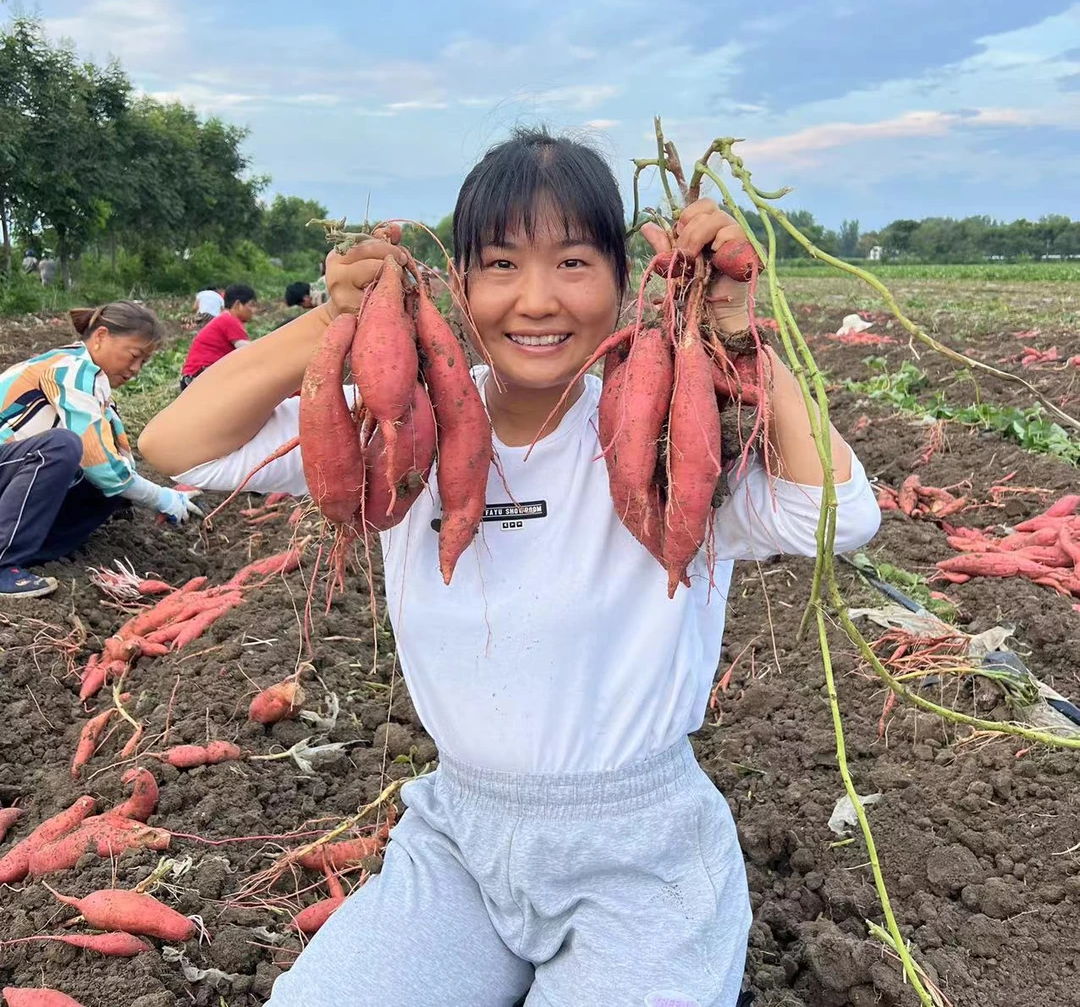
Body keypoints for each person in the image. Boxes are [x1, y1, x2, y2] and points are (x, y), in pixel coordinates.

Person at [139, 129, 880, 1007]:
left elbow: (840, 516)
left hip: (642, 854)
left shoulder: (676, 443)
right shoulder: (397, 427)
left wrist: (736, 331)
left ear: (618, 278)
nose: (536, 300)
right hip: (460, 839)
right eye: (499, 265)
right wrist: (338, 321)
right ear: (457, 282)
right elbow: (171, 446)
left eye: (572, 263)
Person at [0, 302, 203, 599]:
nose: (135, 369)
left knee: (110, 490)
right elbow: (99, 462)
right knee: (62, 447)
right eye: (134, 356)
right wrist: (159, 496)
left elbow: (116, 466)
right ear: (101, 336)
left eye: (144, 363)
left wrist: (153, 493)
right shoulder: (72, 370)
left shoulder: (95, 387)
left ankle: (32, 554)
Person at [179, 283, 258, 392]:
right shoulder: (229, 320)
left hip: (195, 376)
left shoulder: (224, 318)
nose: (254, 310)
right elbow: (247, 350)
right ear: (238, 304)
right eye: (251, 305)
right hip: (199, 377)